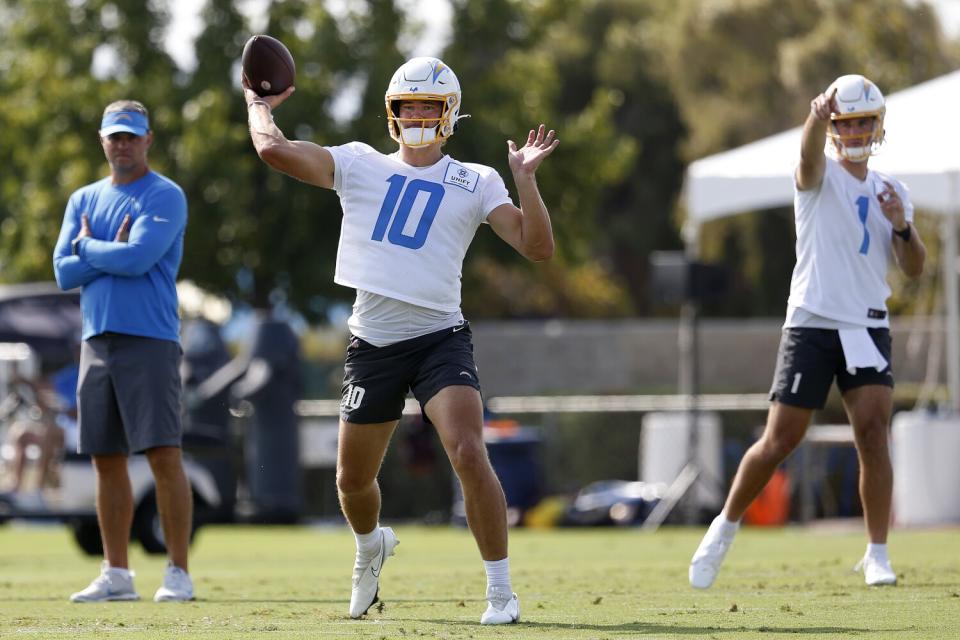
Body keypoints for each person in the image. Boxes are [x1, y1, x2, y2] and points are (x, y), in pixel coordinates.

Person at [244, 56, 558, 624]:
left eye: (428, 106)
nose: (416, 114)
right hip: (373, 343)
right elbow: (273, 150)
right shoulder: (359, 163)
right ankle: (370, 548)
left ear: (449, 113)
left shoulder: (477, 178)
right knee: (353, 480)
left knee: (467, 449)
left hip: (441, 337)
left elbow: (537, 249)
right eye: (408, 105)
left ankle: (501, 592)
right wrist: (257, 102)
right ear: (391, 113)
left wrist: (527, 181)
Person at [689, 74, 926, 589]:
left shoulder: (893, 189)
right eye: (848, 122)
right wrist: (815, 120)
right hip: (814, 320)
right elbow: (808, 160)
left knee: (873, 433)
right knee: (781, 438)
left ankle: (877, 550)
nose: (858, 130)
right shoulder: (819, 173)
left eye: (865, 121)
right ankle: (724, 526)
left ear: (878, 125)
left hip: (866, 324)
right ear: (835, 126)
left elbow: (913, 267)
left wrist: (902, 226)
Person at [52, 100, 195, 603]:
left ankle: (177, 572)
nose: (123, 144)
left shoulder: (165, 195)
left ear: (148, 139)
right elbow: (62, 272)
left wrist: (87, 249)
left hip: (150, 339)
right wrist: (99, 251)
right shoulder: (82, 198)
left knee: (163, 454)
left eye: (131, 136)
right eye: (115, 136)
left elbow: (136, 259)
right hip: (97, 341)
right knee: (105, 459)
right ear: (102, 140)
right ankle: (116, 574)